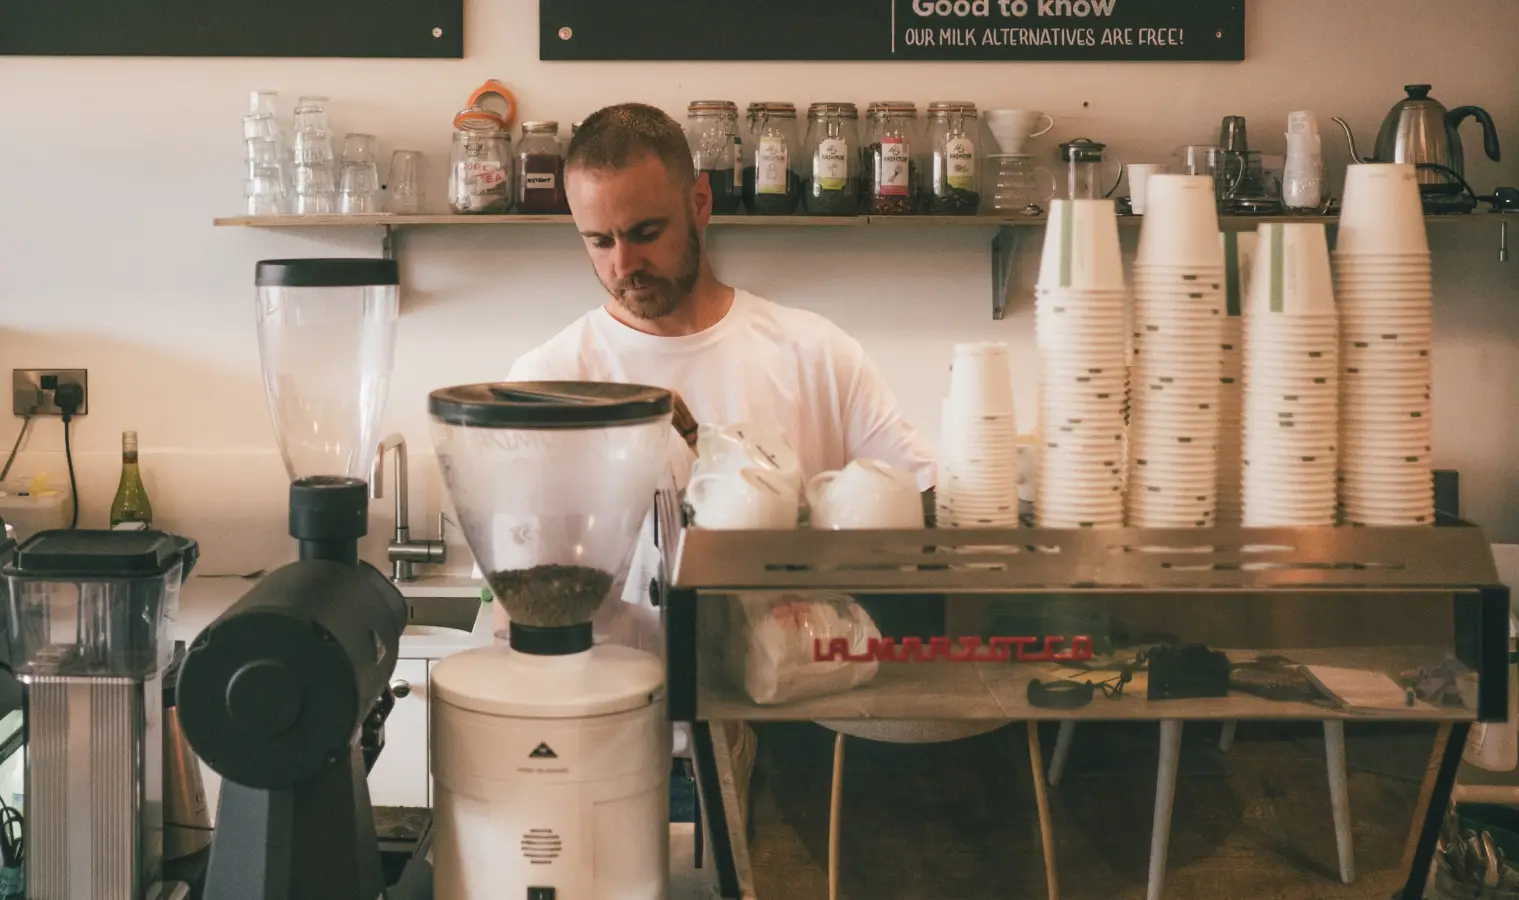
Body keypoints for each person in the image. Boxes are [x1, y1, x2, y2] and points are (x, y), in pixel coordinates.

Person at [505, 101, 936, 825]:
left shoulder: (813, 353)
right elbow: (525, 586)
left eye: (645, 233)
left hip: (801, 739)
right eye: (598, 241)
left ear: (699, 202)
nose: (623, 265)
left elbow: (914, 515)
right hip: (629, 748)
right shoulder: (551, 376)